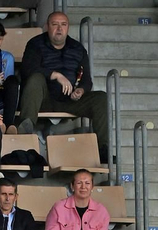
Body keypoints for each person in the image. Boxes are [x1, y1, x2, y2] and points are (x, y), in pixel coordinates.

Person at [18, 12, 109, 161]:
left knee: (101, 98)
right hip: (43, 99)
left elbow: (87, 80)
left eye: (63, 25)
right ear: (47, 27)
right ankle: (25, 135)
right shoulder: (35, 44)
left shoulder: (78, 48)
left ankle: (102, 150)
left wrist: (81, 90)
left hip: (70, 100)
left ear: (68, 28)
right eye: (55, 24)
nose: (59, 29)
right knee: (35, 78)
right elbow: (27, 70)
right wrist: (55, 75)